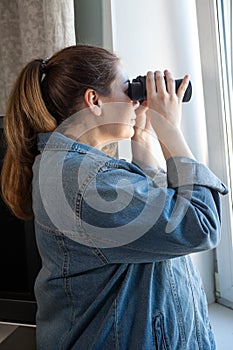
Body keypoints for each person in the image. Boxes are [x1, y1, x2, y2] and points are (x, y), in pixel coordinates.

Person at [1, 44, 228, 350]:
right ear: (94, 100)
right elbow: (198, 225)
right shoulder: (82, 181)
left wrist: (145, 137)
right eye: (127, 89)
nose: (135, 101)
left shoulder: (75, 168)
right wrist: (170, 131)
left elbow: (147, 226)